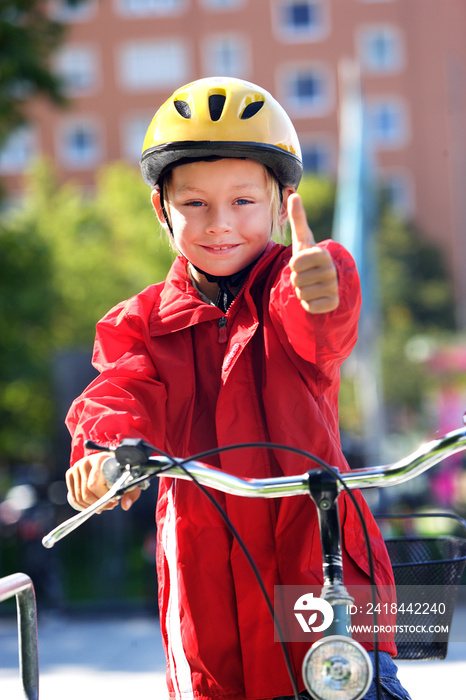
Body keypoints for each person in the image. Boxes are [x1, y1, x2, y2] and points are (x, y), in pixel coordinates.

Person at [65, 77, 411, 700]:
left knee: (351, 682)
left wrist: (324, 286)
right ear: (162, 209)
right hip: (206, 590)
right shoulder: (139, 324)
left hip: (318, 559)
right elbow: (119, 393)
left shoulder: (291, 285)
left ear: (282, 204)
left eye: (244, 202)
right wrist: (106, 455)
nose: (220, 225)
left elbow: (319, 326)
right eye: (194, 203)